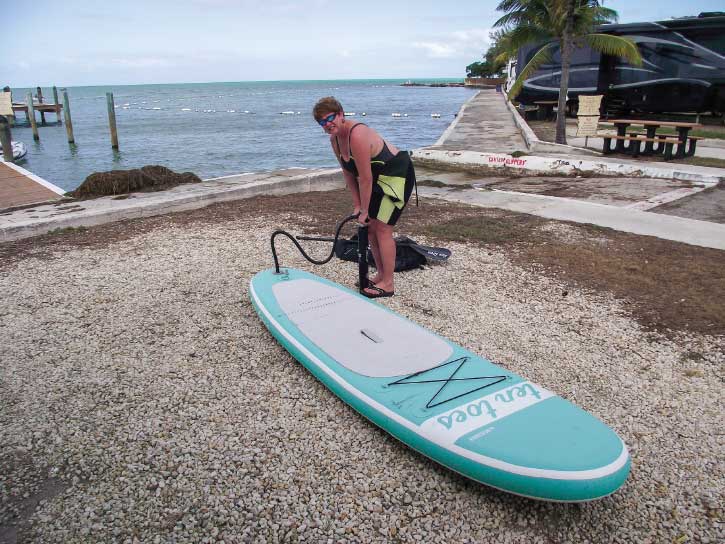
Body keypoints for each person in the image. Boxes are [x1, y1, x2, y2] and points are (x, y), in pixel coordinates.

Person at [313, 96, 417, 299]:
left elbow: (366, 178)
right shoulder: (334, 140)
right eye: (322, 122)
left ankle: (388, 283)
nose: (327, 124)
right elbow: (349, 173)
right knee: (370, 230)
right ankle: (381, 274)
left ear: (341, 114)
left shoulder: (357, 134)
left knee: (382, 229)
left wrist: (366, 210)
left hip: (396, 176)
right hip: (378, 179)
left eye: (330, 118)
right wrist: (358, 205)